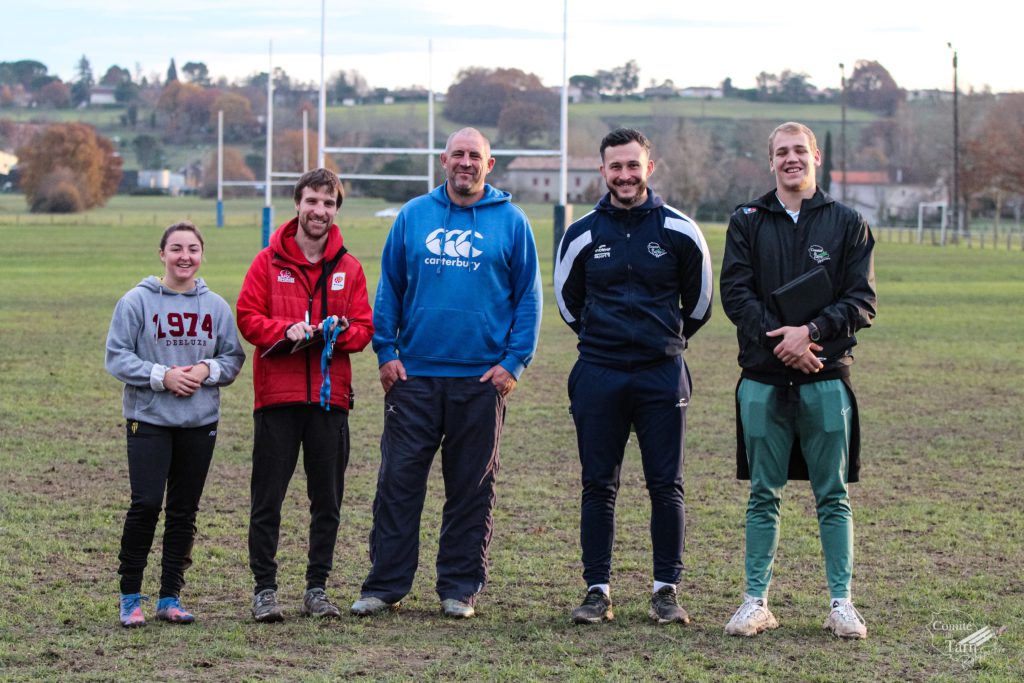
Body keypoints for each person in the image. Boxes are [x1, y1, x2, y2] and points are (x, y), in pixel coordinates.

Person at [350, 127, 542, 619]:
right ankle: (385, 585)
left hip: (480, 381)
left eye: (474, 155)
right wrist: (385, 351)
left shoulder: (512, 222)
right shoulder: (414, 216)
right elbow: (389, 287)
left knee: (471, 487)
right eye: (458, 154)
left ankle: (459, 588)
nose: (465, 162)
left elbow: (530, 298)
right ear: (444, 160)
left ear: (489, 164)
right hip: (413, 377)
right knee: (398, 483)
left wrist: (513, 363)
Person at [719, 121, 877, 639]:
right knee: (764, 492)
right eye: (781, 152)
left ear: (815, 157)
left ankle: (841, 603)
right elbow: (736, 296)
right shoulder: (745, 221)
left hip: (826, 378)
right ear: (771, 162)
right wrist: (781, 343)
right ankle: (755, 600)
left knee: (832, 494)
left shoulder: (848, 223)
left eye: (800, 151)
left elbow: (862, 302)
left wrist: (809, 334)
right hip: (762, 380)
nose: (791, 159)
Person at [554, 128, 713, 625]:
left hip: (661, 375)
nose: (624, 175)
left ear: (650, 166)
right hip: (598, 373)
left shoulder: (680, 230)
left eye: (632, 165)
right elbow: (566, 301)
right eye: (614, 166)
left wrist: (661, 339)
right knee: (598, 485)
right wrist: (604, 340)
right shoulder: (580, 233)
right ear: (602, 171)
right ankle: (596, 590)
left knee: (666, 484)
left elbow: (702, 302)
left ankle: (666, 590)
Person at [237, 168, 373, 622]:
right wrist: (285, 329)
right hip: (277, 398)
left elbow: (365, 329)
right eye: (312, 201)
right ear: (297, 203)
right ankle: (265, 590)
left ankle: (317, 589)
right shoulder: (266, 263)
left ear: (336, 209)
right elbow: (248, 318)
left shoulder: (349, 268)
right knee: (267, 500)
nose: (319, 211)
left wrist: (341, 329)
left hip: (329, 402)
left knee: (327, 502)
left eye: (329, 203)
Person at [105, 221, 245, 628]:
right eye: (177, 248)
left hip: (199, 422)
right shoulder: (136, 302)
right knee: (146, 504)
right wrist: (162, 376)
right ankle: (131, 595)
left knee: (184, 511)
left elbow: (233, 358)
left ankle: (170, 596)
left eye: (193, 249)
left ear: (202, 254)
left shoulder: (215, 306)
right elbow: (117, 357)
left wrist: (205, 369)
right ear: (162, 253)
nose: (185, 256)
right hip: (148, 419)